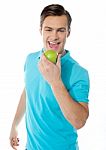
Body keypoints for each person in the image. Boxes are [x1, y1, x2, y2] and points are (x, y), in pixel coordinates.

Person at [9, 4, 90, 150]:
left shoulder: (79, 73)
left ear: (68, 32)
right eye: (48, 29)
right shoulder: (30, 59)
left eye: (61, 30)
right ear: (41, 30)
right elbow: (28, 91)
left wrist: (55, 81)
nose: (54, 36)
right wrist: (14, 125)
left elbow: (79, 121)